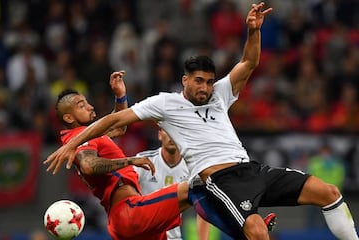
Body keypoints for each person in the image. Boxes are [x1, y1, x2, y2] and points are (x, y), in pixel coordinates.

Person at [45, 2, 358, 239]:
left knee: (328, 192)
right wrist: (75, 141)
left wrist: (253, 30)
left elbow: (248, 62)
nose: (205, 88)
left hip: (251, 169)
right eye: (199, 81)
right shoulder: (164, 104)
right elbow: (118, 120)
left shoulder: (221, 93)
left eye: (209, 81)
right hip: (219, 180)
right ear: (185, 80)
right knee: (255, 231)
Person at [51, 71, 191, 240]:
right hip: (129, 211)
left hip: (122, 220)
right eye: (82, 105)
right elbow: (89, 165)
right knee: (193, 188)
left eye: (87, 102)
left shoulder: (88, 135)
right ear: (68, 117)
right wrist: (130, 161)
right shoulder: (78, 137)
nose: (90, 107)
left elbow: (118, 127)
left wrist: (120, 96)